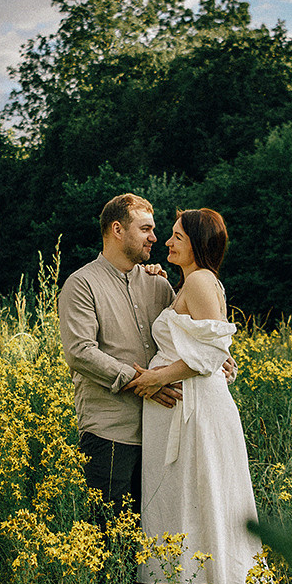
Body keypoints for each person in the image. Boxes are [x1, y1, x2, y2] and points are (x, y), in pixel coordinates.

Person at [126, 208, 292, 584]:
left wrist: (155, 378)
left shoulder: (202, 280)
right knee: (210, 506)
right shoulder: (190, 282)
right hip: (187, 411)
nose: (167, 242)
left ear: (199, 244)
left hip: (198, 414)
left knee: (213, 505)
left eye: (176, 237)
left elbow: (208, 354)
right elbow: (212, 348)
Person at [56, 194, 179, 525]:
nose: (155, 237)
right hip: (111, 431)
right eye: (146, 229)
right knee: (108, 533)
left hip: (161, 430)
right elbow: (80, 352)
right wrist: (141, 383)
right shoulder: (81, 284)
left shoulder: (159, 285)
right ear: (117, 229)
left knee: (156, 533)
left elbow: (184, 337)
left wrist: (219, 358)